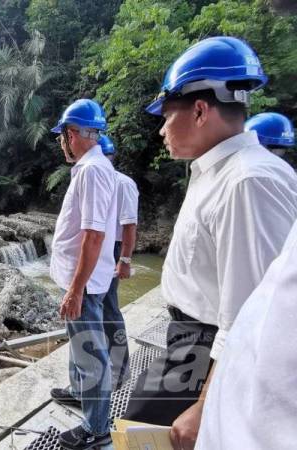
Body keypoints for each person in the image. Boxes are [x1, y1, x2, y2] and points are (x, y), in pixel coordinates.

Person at [121, 36, 297, 450]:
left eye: (166, 116)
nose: (162, 130)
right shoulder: (220, 171)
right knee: (137, 427)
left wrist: (206, 404)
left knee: (143, 434)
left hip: (207, 349)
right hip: (189, 339)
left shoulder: (249, 183)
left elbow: (252, 313)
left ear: (200, 110)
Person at [48, 99, 118, 450]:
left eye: (63, 135)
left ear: (72, 134)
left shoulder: (92, 171)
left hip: (85, 284)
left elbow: (93, 235)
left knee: (91, 353)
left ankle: (96, 429)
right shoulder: (96, 168)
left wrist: (75, 290)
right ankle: (78, 393)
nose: (62, 142)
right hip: (87, 279)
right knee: (80, 343)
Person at [196, 218, 297, 450]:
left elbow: (240, 294)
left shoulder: (250, 183)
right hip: (231, 406)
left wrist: (202, 404)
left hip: (200, 333)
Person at [99, 134, 139, 389]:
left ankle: (120, 370)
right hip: (97, 246)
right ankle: (102, 365)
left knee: (110, 308)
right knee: (96, 308)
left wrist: (124, 259)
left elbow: (129, 225)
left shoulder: (122, 183)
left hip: (112, 247)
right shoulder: (96, 181)